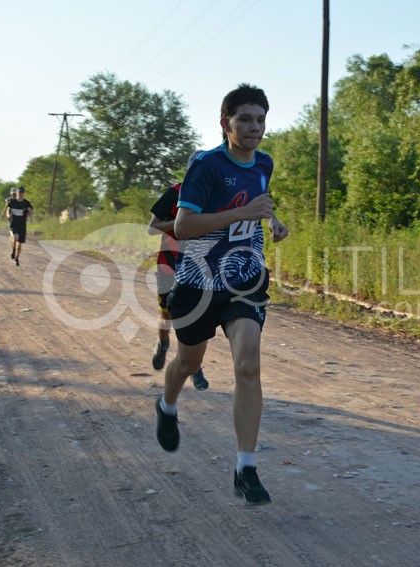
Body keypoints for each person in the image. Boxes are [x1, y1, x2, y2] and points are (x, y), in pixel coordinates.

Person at [155, 84, 288, 506]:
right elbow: (183, 226)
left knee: (248, 365)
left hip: (244, 279)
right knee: (188, 361)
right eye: (245, 119)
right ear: (225, 123)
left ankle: (245, 467)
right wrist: (242, 214)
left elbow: (256, 204)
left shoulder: (264, 162)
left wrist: (272, 222)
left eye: (260, 120)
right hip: (197, 281)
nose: (254, 128)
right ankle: (167, 404)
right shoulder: (205, 166)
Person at [148, 153, 210, 391]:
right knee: (167, 313)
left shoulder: (211, 196)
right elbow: (151, 228)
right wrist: (179, 224)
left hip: (198, 265)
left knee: (195, 316)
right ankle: (163, 343)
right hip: (169, 262)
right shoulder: (174, 193)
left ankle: (195, 367)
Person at [3, 186, 33, 266]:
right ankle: (13, 249)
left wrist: (30, 215)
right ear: (17, 193)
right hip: (14, 224)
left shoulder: (26, 203)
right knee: (15, 236)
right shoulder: (13, 202)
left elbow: (31, 210)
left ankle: (17, 258)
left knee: (19, 244)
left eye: (22, 192)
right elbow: (7, 207)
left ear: (24, 193)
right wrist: (7, 214)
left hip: (22, 225)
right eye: (19, 192)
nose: (20, 194)